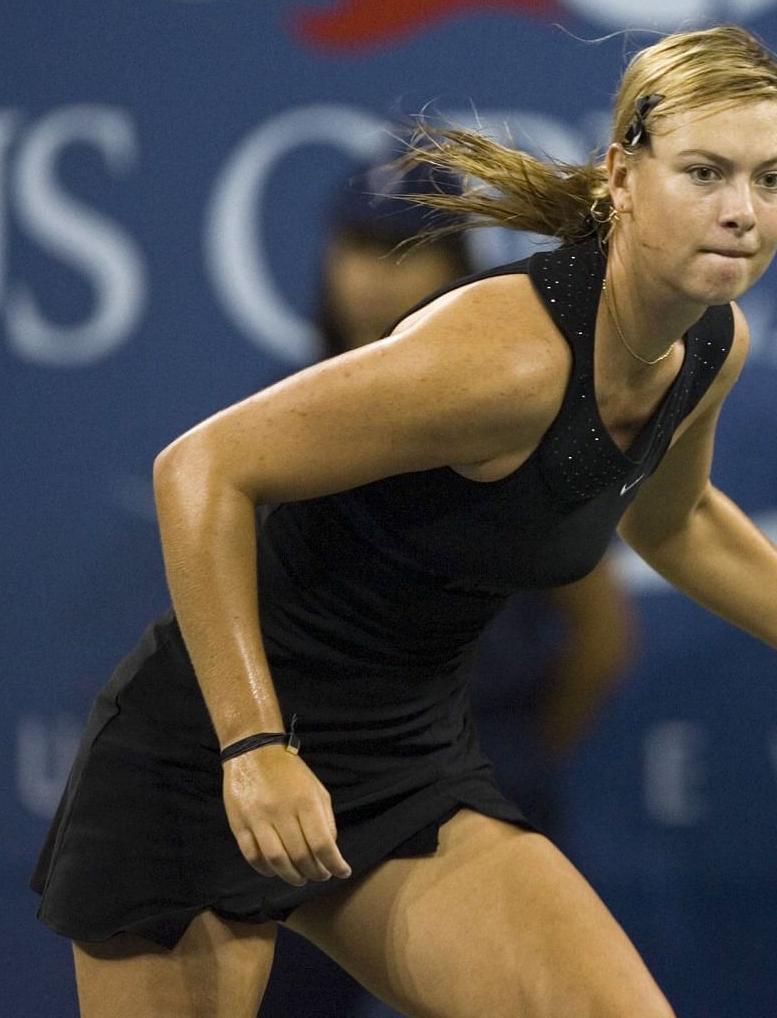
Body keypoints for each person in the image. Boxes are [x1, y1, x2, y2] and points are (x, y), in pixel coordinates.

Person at [31, 24, 777, 1017]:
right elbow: (201, 470)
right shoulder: (508, 358)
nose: (743, 212)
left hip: (405, 758)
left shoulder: (707, 343)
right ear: (622, 173)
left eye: (772, 177)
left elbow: (679, 519)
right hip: (208, 753)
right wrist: (254, 747)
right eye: (705, 172)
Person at [258, 164, 636, 1018]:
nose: (373, 274)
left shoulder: (516, 408)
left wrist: (500, 757)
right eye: (357, 245)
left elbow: (600, 635)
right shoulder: (276, 421)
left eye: (404, 248)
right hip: (306, 790)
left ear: (458, 268)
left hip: (478, 771)